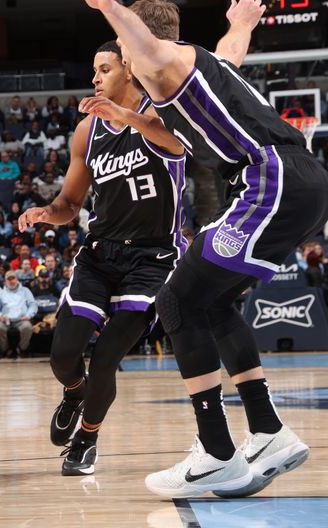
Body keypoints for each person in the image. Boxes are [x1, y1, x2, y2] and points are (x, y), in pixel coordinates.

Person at [87, 0, 328, 497]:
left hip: (270, 178)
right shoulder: (200, 67)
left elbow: (145, 43)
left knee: (175, 300)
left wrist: (110, 6)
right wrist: (241, 23)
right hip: (296, 182)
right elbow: (229, 52)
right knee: (211, 302)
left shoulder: (157, 59)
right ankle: (267, 431)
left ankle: (217, 452)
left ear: (133, 49)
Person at [18, 38, 190, 475]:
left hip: (153, 259)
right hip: (100, 254)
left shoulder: (162, 113)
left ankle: (87, 439)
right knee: (62, 355)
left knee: (107, 356)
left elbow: (176, 145)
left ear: (128, 69)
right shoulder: (87, 131)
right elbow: (70, 204)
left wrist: (126, 117)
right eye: (94, 71)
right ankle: (74, 392)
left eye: (104, 69)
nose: (95, 79)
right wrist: (45, 213)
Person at [0, 270, 37, 358]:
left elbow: (33, 304)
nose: (11, 281)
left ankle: (21, 348)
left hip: (22, 319)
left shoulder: (25, 291)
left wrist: (29, 315)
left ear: (17, 279)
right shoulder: (0, 293)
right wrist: (0, 316)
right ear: (5, 281)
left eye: (13, 278)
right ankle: (5, 349)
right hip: (6, 320)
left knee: (27, 327)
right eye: (8, 279)